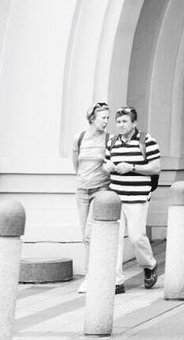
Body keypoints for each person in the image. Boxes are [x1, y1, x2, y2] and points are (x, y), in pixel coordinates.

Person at [103, 106, 160, 293]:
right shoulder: (112, 141)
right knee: (115, 240)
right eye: (118, 122)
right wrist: (109, 166)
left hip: (137, 197)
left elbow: (155, 168)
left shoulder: (147, 141)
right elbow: (105, 164)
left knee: (136, 238)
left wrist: (132, 167)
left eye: (124, 121)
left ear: (134, 123)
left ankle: (149, 265)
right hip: (115, 197)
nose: (120, 125)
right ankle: (116, 282)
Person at [72, 101, 110, 293]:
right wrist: (83, 179)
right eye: (103, 118)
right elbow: (76, 163)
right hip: (82, 191)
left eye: (108, 118)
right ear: (92, 119)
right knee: (84, 235)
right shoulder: (80, 138)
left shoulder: (108, 139)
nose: (106, 121)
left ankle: (91, 275)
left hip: (100, 190)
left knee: (90, 234)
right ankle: (93, 273)